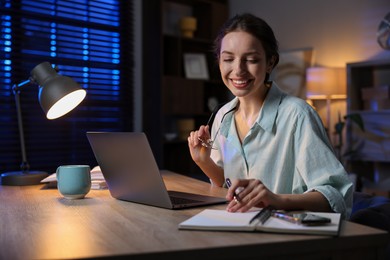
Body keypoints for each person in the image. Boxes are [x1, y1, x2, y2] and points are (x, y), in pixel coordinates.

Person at [187, 13, 353, 219]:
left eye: (251, 60)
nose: (238, 70)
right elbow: (227, 186)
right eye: (228, 59)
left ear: (270, 62)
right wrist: (204, 162)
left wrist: (277, 200)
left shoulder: (298, 116)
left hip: (286, 238)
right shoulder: (223, 116)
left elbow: (337, 197)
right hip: (237, 228)